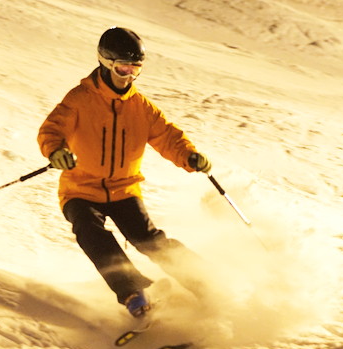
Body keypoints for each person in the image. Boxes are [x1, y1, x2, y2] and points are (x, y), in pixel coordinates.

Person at [37, 26, 213, 318]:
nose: (129, 75)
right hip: (80, 189)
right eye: (122, 68)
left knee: (148, 239)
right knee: (91, 234)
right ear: (105, 63)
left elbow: (167, 136)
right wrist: (56, 151)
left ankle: (206, 283)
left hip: (124, 188)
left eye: (135, 69)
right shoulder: (80, 98)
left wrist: (189, 156)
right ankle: (135, 293)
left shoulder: (140, 106)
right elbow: (52, 129)